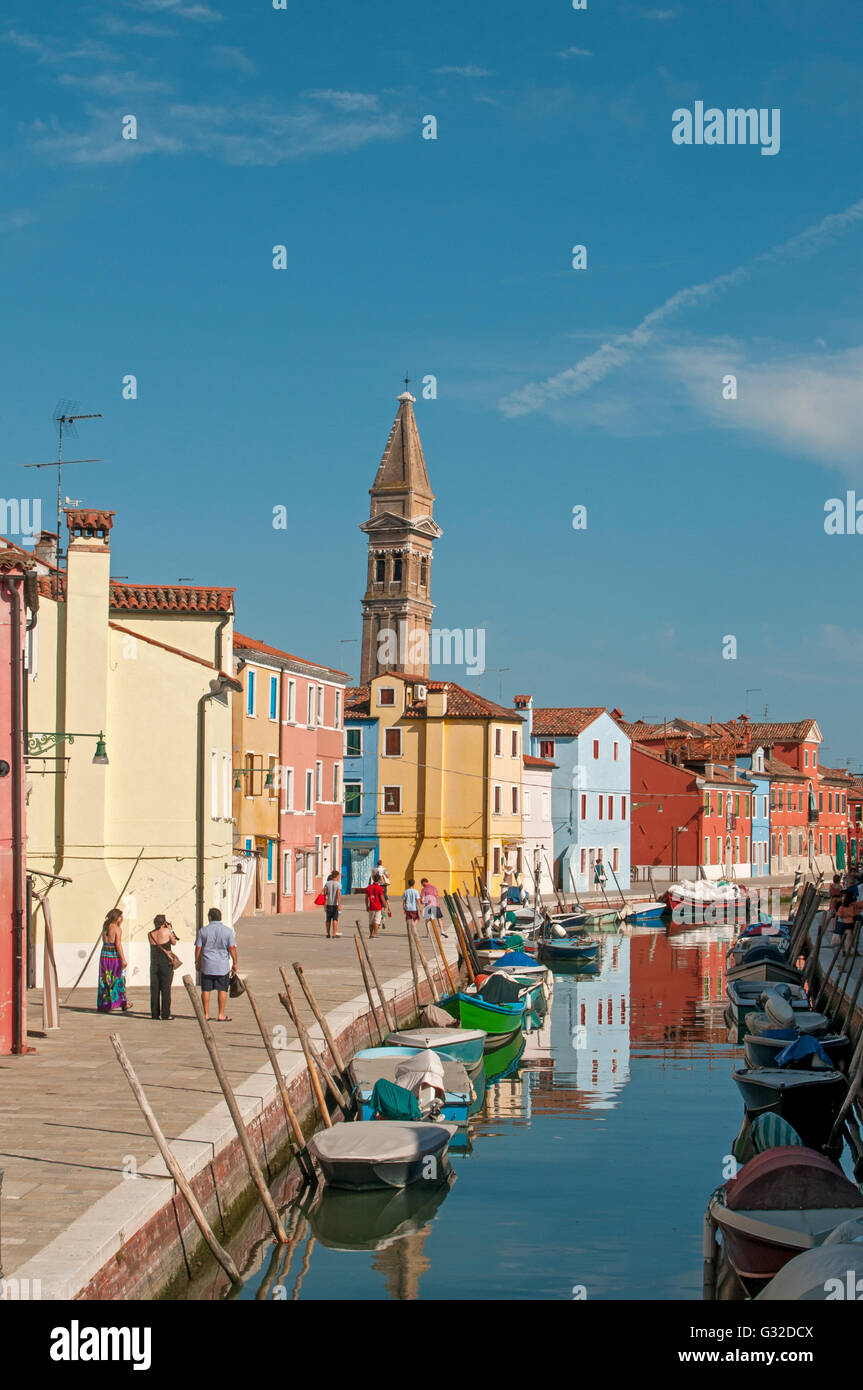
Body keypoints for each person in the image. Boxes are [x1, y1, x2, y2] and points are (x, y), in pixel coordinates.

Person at [195, 907, 237, 1021]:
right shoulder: (228, 931)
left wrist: (197, 961)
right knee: (222, 989)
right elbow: (232, 948)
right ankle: (221, 1014)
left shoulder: (202, 931)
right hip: (222, 965)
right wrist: (235, 963)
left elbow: (198, 947)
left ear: (209, 917)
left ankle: (206, 1014)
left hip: (207, 964)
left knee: (206, 989)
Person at [97, 908, 129, 1014]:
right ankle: (121, 1003)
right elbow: (118, 944)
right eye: (121, 916)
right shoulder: (117, 929)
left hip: (104, 954)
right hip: (113, 955)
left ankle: (105, 1004)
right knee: (118, 978)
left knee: (105, 979)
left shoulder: (105, 926)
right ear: (117, 918)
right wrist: (123, 959)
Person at [148, 914, 178, 1020]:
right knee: (166, 989)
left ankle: (155, 1014)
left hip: (154, 964)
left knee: (155, 989)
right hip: (166, 963)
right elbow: (174, 942)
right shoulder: (167, 932)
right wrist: (170, 929)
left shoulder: (150, 934)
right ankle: (166, 1014)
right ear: (164, 923)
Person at [323, 870, 341, 938]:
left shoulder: (327, 883)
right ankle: (334, 934)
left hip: (328, 904)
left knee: (328, 919)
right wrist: (339, 905)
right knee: (335, 919)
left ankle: (328, 933)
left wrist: (325, 904)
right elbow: (338, 895)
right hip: (335, 904)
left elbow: (325, 893)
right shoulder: (338, 884)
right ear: (336, 876)